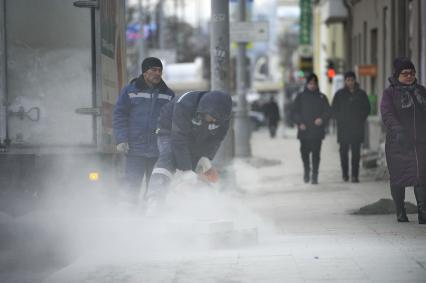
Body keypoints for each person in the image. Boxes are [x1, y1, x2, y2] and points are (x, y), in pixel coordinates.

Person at [145, 90, 232, 215]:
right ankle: (155, 200)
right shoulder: (185, 103)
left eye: (216, 120)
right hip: (169, 131)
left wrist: (205, 157)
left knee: (194, 173)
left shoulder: (223, 118)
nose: (213, 121)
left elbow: (216, 139)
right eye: (212, 117)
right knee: (169, 157)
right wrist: (185, 170)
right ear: (204, 109)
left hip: (194, 137)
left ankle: (189, 207)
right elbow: (178, 139)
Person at [113, 57, 175, 204]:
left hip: (158, 151)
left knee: (156, 187)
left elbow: (173, 121)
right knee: (131, 185)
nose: (157, 73)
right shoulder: (130, 91)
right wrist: (121, 139)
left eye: (160, 70)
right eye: (153, 70)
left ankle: (152, 217)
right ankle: (130, 215)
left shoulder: (168, 94)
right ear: (145, 72)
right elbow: (120, 115)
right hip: (135, 149)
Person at [380, 57, 426, 224]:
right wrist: (398, 130)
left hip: (420, 143)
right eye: (405, 73)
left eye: (412, 73)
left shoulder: (421, 91)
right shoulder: (390, 93)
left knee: (421, 175)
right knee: (398, 177)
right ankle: (400, 211)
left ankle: (423, 212)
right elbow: (387, 113)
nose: (409, 76)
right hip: (398, 142)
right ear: (397, 74)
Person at [331, 71, 371, 183]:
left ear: (355, 80)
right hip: (343, 128)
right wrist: (339, 119)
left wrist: (360, 119)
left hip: (357, 128)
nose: (350, 82)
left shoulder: (361, 94)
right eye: (348, 80)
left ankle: (354, 175)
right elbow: (333, 109)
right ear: (345, 81)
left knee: (356, 153)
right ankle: (345, 174)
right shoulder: (339, 94)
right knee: (343, 152)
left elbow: (367, 108)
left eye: (352, 80)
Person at [292, 74, 331, 184]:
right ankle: (306, 171)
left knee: (316, 154)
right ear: (307, 84)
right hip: (304, 131)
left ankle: (315, 175)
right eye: (310, 83)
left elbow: (328, 111)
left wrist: (322, 119)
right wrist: (299, 123)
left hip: (317, 131)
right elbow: (294, 112)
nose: (312, 86)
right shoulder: (300, 97)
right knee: (304, 153)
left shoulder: (322, 97)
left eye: (314, 83)